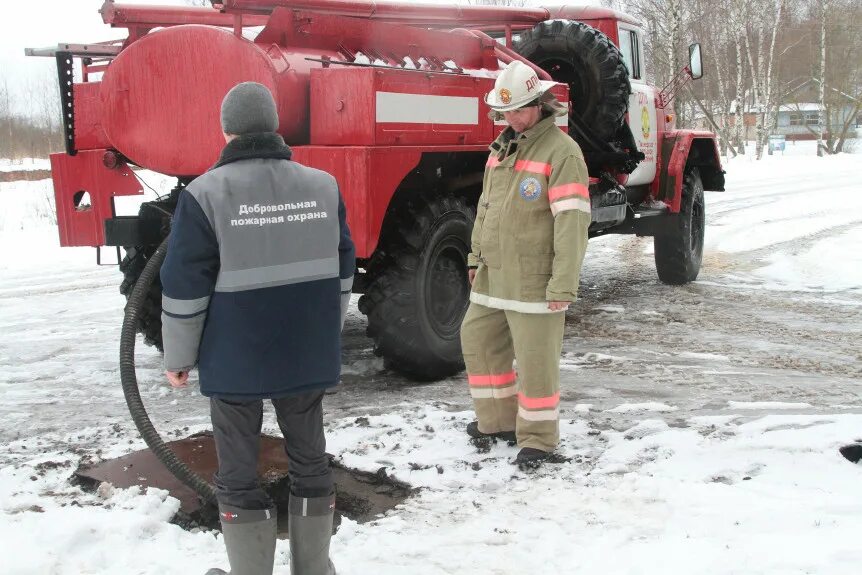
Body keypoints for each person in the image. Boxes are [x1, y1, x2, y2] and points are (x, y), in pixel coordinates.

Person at [160, 81, 354, 575]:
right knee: (310, 458)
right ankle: (314, 568)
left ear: (226, 130)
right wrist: (325, 331)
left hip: (235, 358)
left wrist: (179, 357)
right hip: (305, 350)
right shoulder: (323, 186)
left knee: (238, 471)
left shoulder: (203, 193)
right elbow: (342, 268)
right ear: (274, 126)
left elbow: (184, 285)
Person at [461, 61, 591, 468]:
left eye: (518, 110)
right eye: (505, 112)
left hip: (535, 278)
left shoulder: (563, 152)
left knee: (535, 360)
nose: (511, 120)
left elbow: (572, 222)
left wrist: (563, 283)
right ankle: (498, 421)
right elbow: (486, 208)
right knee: (477, 340)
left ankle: (538, 438)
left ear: (538, 104)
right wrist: (475, 256)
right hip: (493, 273)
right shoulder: (500, 151)